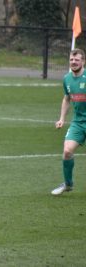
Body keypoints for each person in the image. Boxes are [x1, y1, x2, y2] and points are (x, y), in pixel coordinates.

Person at [52, 48, 86, 195]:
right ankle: (68, 184)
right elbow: (66, 98)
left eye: (77, 59)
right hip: (78, 123)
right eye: (71, 59)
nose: (73, 62)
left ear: (83, 61)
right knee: (67, 152)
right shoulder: (67, 79)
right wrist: (61, 119)